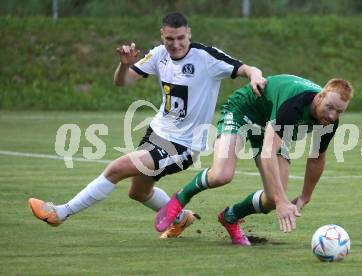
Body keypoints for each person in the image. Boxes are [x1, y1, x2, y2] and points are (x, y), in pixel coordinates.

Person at [28, 12, 266, 239]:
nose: (175, 44)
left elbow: (247, 68)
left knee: (116, 168)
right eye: (170, 38)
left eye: (181, 38)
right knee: (138, 192)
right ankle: (181, 219)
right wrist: (124, 65)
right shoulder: (159, 54)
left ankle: (60, 213)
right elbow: (122, 82)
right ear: (162, 35)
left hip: (183, 146)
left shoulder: (206, 57)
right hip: (157, 134)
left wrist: (255, 76)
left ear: (189, 34)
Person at [155, 74, 353, 245]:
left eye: (339, 112)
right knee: (221, 175)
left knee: (273, 198)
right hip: (244, 111)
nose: (332, 115)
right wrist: (284, 201)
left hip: (271, 122)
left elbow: (317, 157)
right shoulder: (294, 105)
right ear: (320, 97)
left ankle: (231, 217)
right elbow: (268, 152)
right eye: (329, 107)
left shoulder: (329, 122)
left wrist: (304, 196)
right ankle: (182, 196)